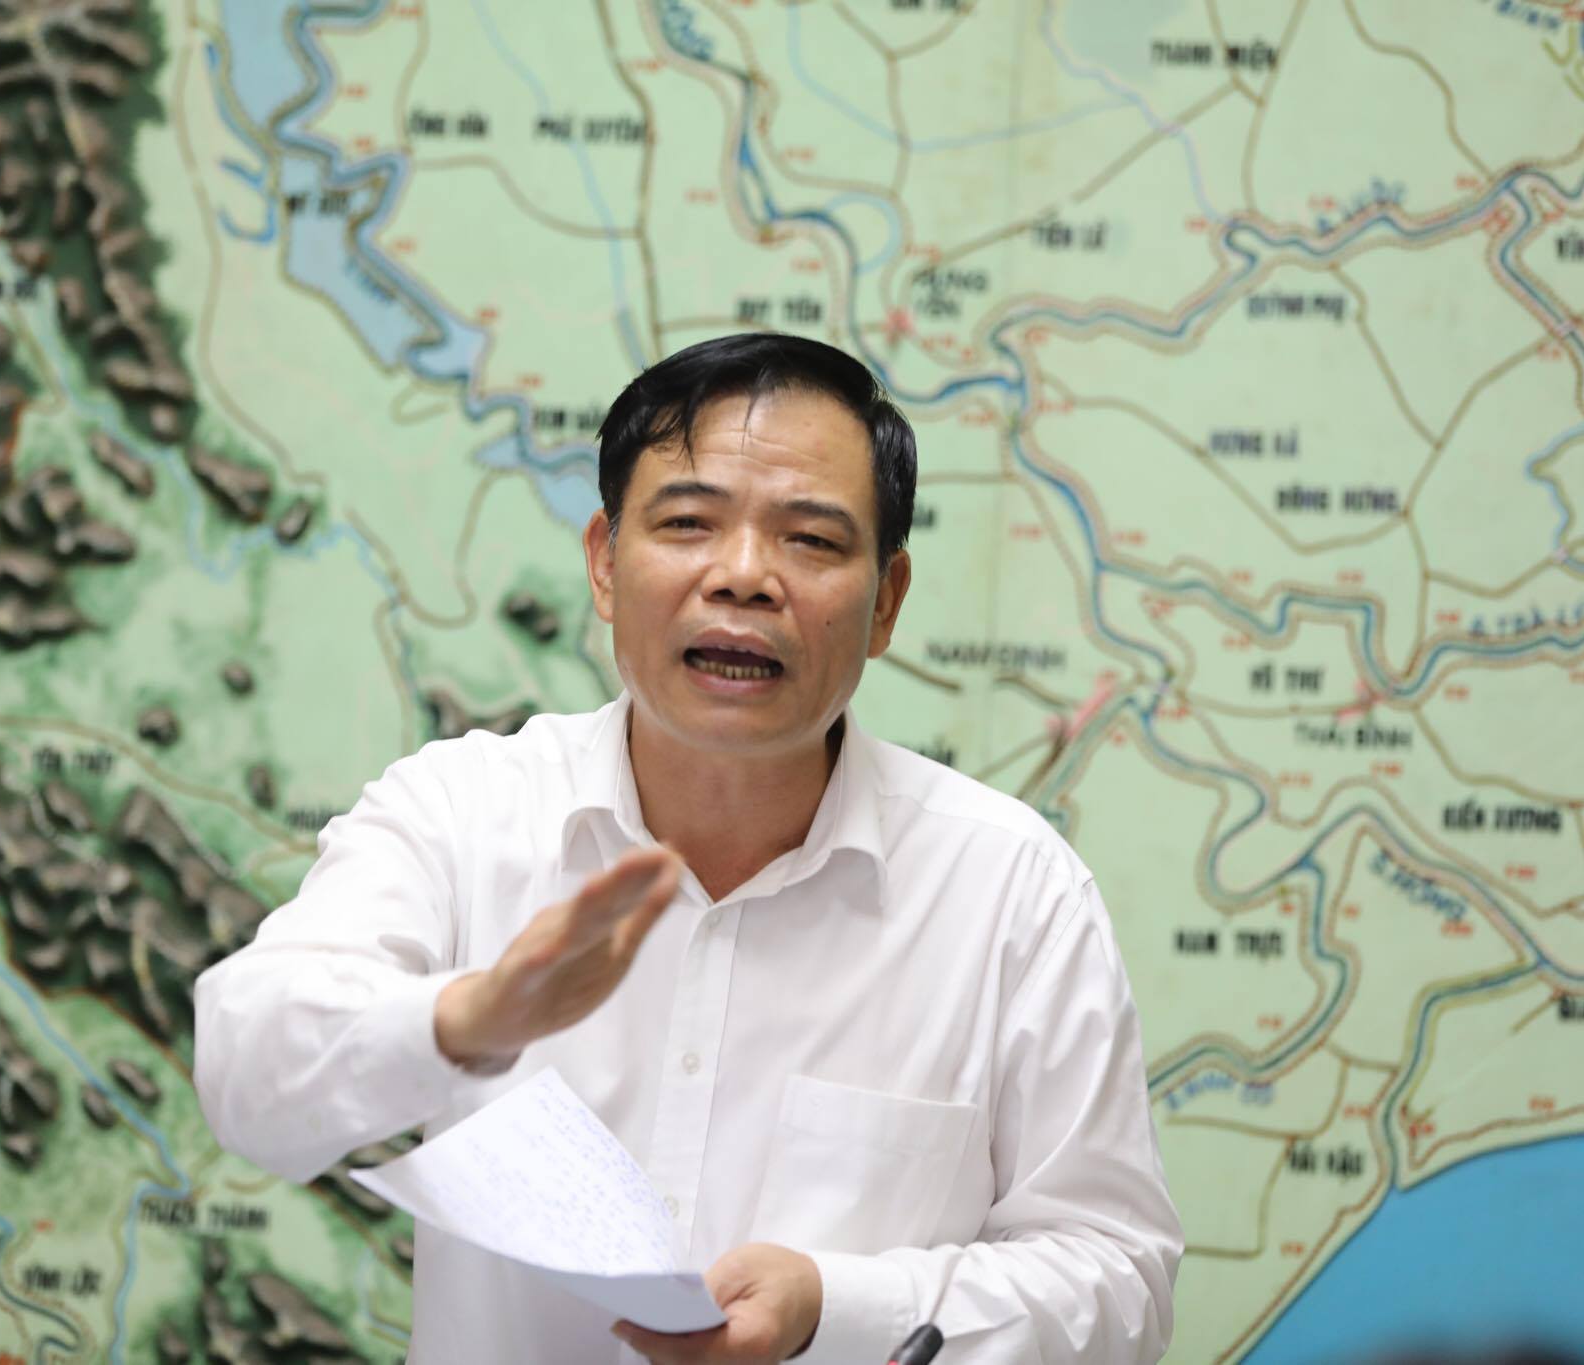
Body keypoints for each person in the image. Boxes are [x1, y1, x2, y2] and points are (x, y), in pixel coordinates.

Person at [192, 333, 1183, 1363]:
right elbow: (244, 1075)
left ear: (884, 602)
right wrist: (465, 1018)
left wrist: (831, 1311)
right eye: (687, 524)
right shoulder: (457, 814)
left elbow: (1115, 1284)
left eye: (809, 540)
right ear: (603, 564)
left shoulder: (1010, 890)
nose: (743, 576)